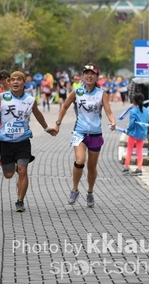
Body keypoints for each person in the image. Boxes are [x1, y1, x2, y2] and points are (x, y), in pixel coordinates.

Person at [0, 71, 57, 212]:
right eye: (12, 79)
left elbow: (38, 114)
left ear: (24, 83)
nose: (15, 82)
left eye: (18, 79)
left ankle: (20, 201)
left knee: (23, 169)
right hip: (6, 141)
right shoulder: (2, 98)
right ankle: (13, 165)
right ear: (9, 82)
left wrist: (46, 128)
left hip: (23, 140)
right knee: (8, 175)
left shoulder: (30, 100)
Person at [54, 63, 116, 208]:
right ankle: (74, 189)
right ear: (82, 76)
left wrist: (112, 122)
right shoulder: (77, 92)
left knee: (91, 167)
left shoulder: (102, 94)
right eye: (86, 73)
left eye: (92, 74)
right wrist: (58, 123)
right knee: (80, 160)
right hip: (80, 132)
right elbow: (64, 107)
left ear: (96, 77)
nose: (89, 76)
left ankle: (90, 192)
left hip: (95, 134)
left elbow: (108, 111)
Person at [122, 93, 149, 176]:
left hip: (133, 133)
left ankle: (126, 167)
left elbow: (131, 124)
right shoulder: (146, 110)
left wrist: (128, 130)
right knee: (139, 151)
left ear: (134, 101)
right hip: (142, 134)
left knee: (129, 150)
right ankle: (139, 168)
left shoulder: (133, 111)